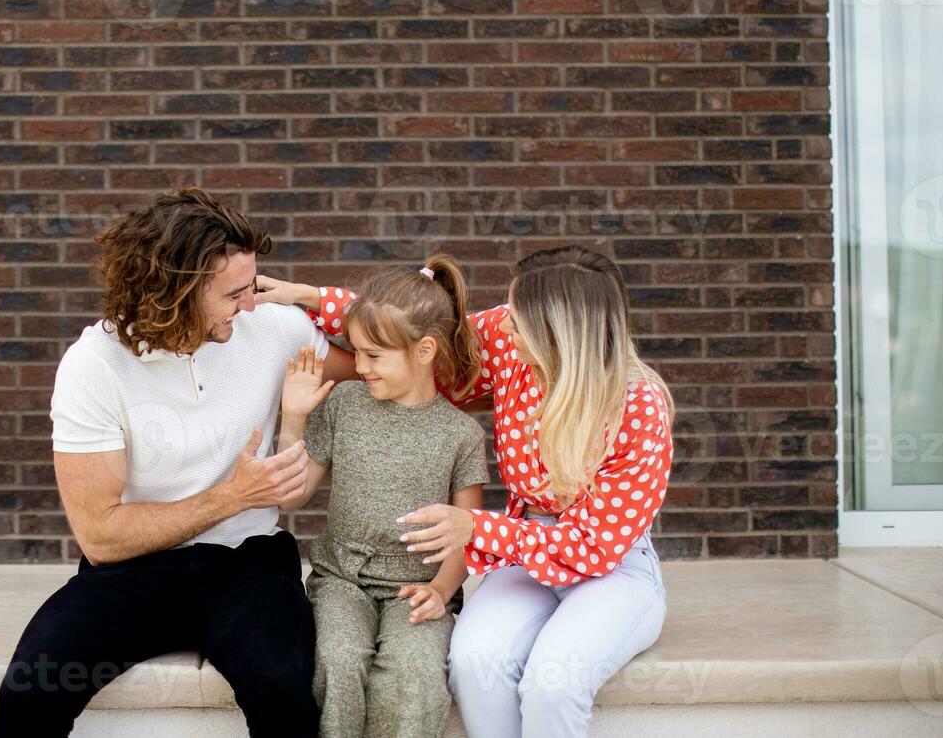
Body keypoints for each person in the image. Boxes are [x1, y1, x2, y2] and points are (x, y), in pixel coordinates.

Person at [257, 245, 674, 738]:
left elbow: (595, 547)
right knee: (474, 663)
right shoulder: (511, 345)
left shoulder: (640, 408)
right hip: (523, 549)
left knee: (553, 681)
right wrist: (311, 296)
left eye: (517, 320)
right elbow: (412, 324)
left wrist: (478, 529)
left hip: (612, 566)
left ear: (559, 334)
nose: (501, 325)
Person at [0, 187, 357, 738]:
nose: (252, 304)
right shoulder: (93, 366)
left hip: (247, 564)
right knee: (29, 692)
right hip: (131, 572)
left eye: (252, 287)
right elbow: (102, 535)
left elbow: (399, 353)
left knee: (283, 687)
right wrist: (231, 495)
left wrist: (313, 296)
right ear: (174, 292)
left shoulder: (277, 329)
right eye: (235, 294)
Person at [277, 256, 489, 738]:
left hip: (417, 586)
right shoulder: (345, 404)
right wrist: (293, 418)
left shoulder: (459, 434)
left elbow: (467, 533)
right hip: (342, 580)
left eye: (374, 355)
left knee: (413, 673)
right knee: (338, 659)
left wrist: (441, 589)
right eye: (356, 352)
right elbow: (292, 494)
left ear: (425, 350)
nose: (360, 366)